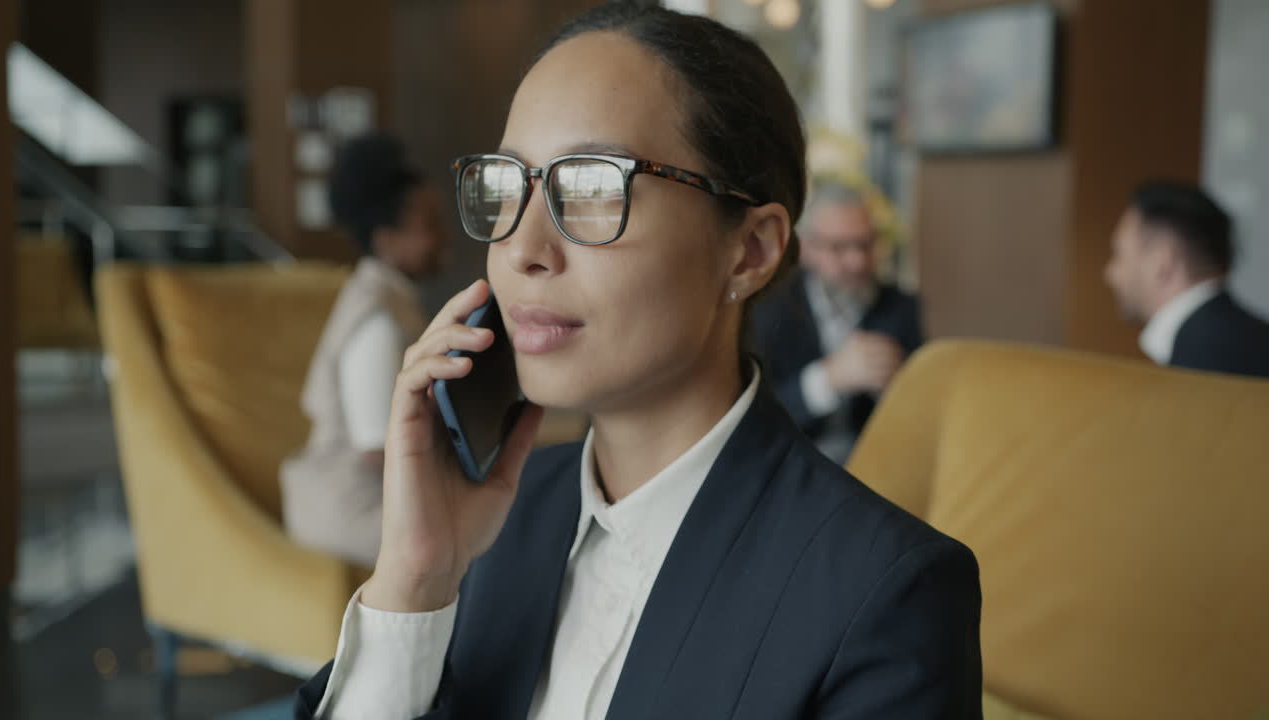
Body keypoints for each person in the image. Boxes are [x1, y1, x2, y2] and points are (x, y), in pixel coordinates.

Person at [296, 4, 981, 719]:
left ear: (748, 252)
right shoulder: (490, 527)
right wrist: (414, 578)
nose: (524, 250)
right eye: (508, 186)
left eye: (591, 189)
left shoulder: (885, 592)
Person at [280, 132, 448, 566]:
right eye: (429, 225)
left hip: (370, 494)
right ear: (385, 238)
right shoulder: (375, 318)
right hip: (348, 507)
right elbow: (378, 449)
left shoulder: (392, 299)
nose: (443, 238)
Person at [751, 182, 923, 464]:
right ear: (808, 247)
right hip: (790, 463)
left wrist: (896, 388)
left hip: (874, 467)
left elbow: (922, 414)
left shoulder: (900, 307)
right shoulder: (769, 307)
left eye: (865, 244)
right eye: (840, 247)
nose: (857, 261)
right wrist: (828, 379)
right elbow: (754, 417)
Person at [1104, 180, 1269, 378]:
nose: (1110, 273)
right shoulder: (1250, 337)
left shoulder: (1204, 356)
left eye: (1119, 254)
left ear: (1161, 262)